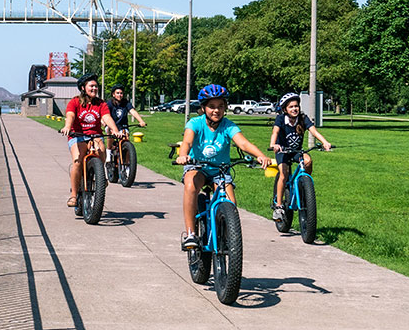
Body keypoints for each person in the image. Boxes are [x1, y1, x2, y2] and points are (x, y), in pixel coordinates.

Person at [172, 84, 271, 249]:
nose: (216, 110)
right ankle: (191, 234)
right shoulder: (195, 123)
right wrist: (183, 155)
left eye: (220, 106)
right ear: (203, 108)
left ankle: (227, 236)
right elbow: (188, 141)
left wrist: (260, 155)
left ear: (225, 107)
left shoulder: (228, 126)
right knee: (190, 185)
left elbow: (243, 143)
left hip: (220, 170)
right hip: (198, 167)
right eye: (211, 107)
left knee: (231, 204)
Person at [268, 92, 334, 222]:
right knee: (284, 173)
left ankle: (304, 184)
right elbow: (275, 131)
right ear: (285, 109)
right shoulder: (281, 119)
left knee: (308, 161)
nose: (294, 109)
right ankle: (279, 206)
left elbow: (313, 131)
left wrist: (325, 142)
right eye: (291, 107)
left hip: (296, 151)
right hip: (282, 151)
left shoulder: (303, 118)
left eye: (296, 106)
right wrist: (273, 144)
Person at [60, 75, 125, 207]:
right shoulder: (74, 102)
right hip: (77, 135)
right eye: (91, 86)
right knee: (77, 161)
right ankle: (73, 195)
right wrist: (67, 127)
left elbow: (106, 117)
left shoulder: (101, 104)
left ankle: (100, 176)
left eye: (96, 86)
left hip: (95, 135)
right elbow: (70, 115)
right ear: (83, 88)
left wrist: (115, 130)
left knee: (101, 149)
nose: (94, 88)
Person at [106, 85, 148, 169]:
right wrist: (105, 123)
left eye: (121, 93)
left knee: (126, 140)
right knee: (110, 134)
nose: (119, 95)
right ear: (113, 94)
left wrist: (141, 121)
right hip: (112, 126)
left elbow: (133, 111)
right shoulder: (109, 103)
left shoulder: (126, 103)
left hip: (123, 126)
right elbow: (105, 114)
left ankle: (127, 163)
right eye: (117, 93)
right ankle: (109, 152)